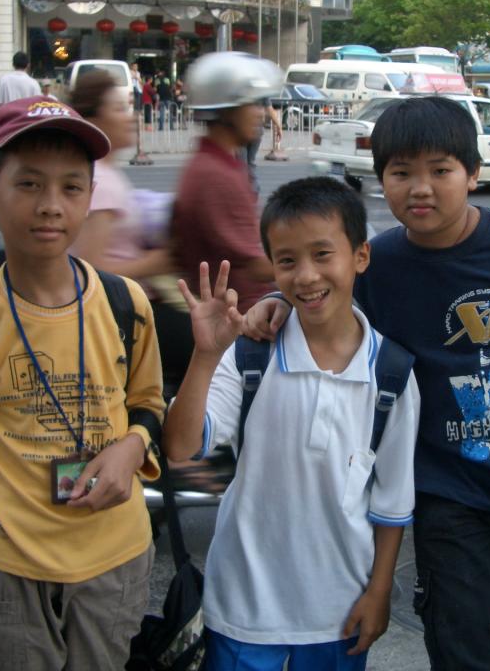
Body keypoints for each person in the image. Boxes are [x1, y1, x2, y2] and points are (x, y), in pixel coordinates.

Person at [245, 96, 490, 670]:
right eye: (401, 173)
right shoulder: (378, 263)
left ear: (473, 173)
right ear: (380, 178)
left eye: (440, 170)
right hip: (444, 492)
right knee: (458, 646)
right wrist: (274, 302)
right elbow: (321, 290)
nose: (421, 188)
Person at [0, 95, 165, 669]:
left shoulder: (126, 304)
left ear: (90, 195)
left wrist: (132, 447)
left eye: (71, 187)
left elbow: (149, 403)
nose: (51, 205)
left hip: (114, 560)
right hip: (6, 569)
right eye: (28, 184)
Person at [162, 176, 420, 670]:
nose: (305, 276)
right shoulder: (251, 355)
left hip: (338, 611)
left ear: (360, 256)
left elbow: (392, 502)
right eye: (287, 260)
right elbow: (179, 447)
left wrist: (380, 591)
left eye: (322, 254)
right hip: (242, 607)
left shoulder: (391, 375)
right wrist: (205, 356)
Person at [67, 70, 187, 391]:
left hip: (135, 302)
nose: (131, 117)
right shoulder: (100, 181)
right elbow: (89, 271)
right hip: (122, 314)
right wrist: (154, 263)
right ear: (94, 121)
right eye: (119, 108)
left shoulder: (106, 173)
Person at [170, 52, 277, 315]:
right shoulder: (215, 176)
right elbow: (255, 266)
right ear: (227, 112)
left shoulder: (220, 163)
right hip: (244, 316)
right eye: (252, 104)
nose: (261, 114)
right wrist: (312, 262)